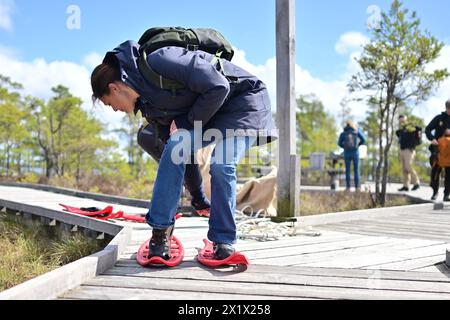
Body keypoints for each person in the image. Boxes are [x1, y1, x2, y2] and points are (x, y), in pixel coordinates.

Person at [91, 40, 277, 261]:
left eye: (109, 103)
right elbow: (180, 155)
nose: (116, 109)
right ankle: (160, 233)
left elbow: (218, 86)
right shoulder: (150, 108)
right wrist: (197, 197)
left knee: (222, 163)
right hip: (209, 111)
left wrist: (187, 122)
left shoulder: (158, 60)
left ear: (114, 88)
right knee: (175, 146)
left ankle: (223, 239)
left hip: (243, 102)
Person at [137, 120, 211, 214]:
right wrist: (199, 198)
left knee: (175, 169)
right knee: (180, 166)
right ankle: (165, 214)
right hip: (153, 132)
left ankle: (171, 208)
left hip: (146, 131)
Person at [426, 99, 450, 201]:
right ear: (447, 108)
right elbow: (427, 129)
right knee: (435, 172)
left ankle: (446, 195)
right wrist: (432, 139)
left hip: (449, 151)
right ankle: (435, 192)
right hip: (438, 150)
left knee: (449, 174)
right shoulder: (439, 118)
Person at [395, 115, 422, 192]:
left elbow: (419, 129)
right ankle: (406, 186)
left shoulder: (411, 127)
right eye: (400, 121)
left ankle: (416, 183)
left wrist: (412, 125)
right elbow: (398, 135)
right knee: (404, 169)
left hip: (409, 150)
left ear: (406, 120)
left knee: (408, 166)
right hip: (402, 150)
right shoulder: (401, 130)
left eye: (403, 121)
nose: (401, 122)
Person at [338, 120, 366, 191]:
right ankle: (357, 187)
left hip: (347, 153)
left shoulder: (344, 133)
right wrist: (358, 145)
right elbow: (363, 139)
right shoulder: (356, 131)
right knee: (356, 170)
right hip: (355, 153)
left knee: (348, 170)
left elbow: (339, 143)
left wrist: (344, 147)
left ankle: (348, 187)